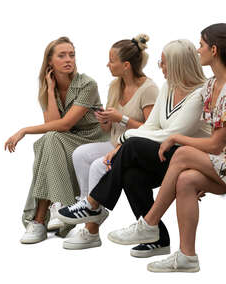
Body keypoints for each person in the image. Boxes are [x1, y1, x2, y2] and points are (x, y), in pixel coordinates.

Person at [96, 23, 226, 273]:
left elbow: (216, 143)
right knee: (186, 180)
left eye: (201, 44)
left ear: (214, 50)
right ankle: (186, 257)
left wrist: (175, 140)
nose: (197, 49)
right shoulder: (211, 85)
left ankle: (149, 223)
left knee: (181, 153)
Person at [57, 39, 211, 256]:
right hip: (165, 156)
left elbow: (171, 135)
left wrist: (124, 140)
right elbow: (152, 126)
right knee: (131, 175)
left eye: (164, 63)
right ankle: (158, 239)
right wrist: (120, 139)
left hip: (188, 159)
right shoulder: (168, 87)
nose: (160, 66)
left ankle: (92, 204)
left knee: (133, 145)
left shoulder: (200, 93)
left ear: (177, 65)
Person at [4, 36, 109, 243]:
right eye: (62, 55)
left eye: (72, 54)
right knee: (48, 141)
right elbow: (53, 124)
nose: (68, 59)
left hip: (91, 139)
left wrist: (24, 130)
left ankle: (40, 219)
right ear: (50, 62)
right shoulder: (45, 90)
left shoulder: (87, 84)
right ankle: (55, 210)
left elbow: (64, 125)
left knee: (47, 141)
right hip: (64, 140)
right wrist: (50, 91)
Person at [62, 34, 158, 249]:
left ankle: (91, 228)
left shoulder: (149, 89)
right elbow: (109, 129)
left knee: (98, 165)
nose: (107, 64)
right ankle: (86, 206)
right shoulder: (115, 86)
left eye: (111, 60)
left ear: (126, 65)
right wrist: (105, 121)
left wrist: (121, 118)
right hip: (115, 142)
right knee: (80, 154)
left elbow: (153, 131)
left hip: (135, 147)